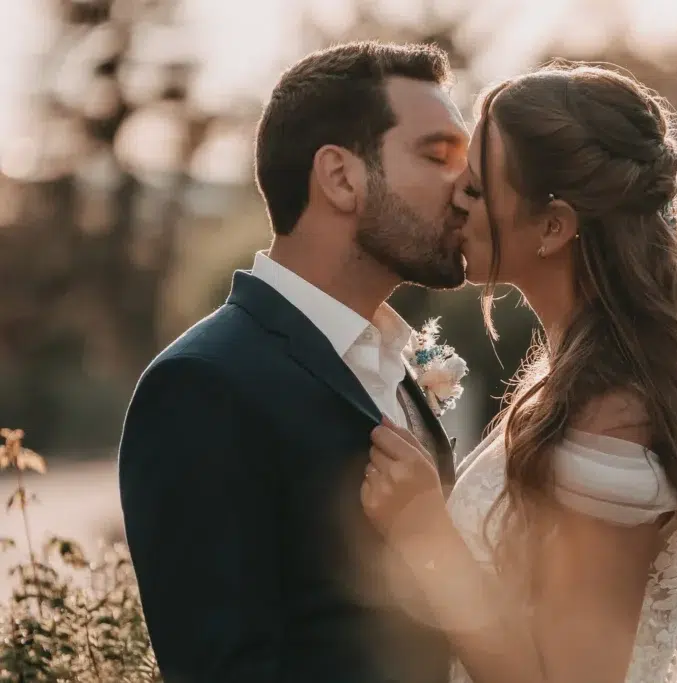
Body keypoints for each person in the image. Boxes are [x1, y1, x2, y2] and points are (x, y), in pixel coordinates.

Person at [361, 63, 677, 683]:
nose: (456, 198)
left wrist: (424, 530)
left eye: (479, 186)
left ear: (553, 226)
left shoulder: (614, 417)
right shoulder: (576, 375)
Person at [118, 41, 470, 683]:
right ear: (340, 176)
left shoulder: (397, 363)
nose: (467, 185)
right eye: (436, 153)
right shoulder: (201, 385)